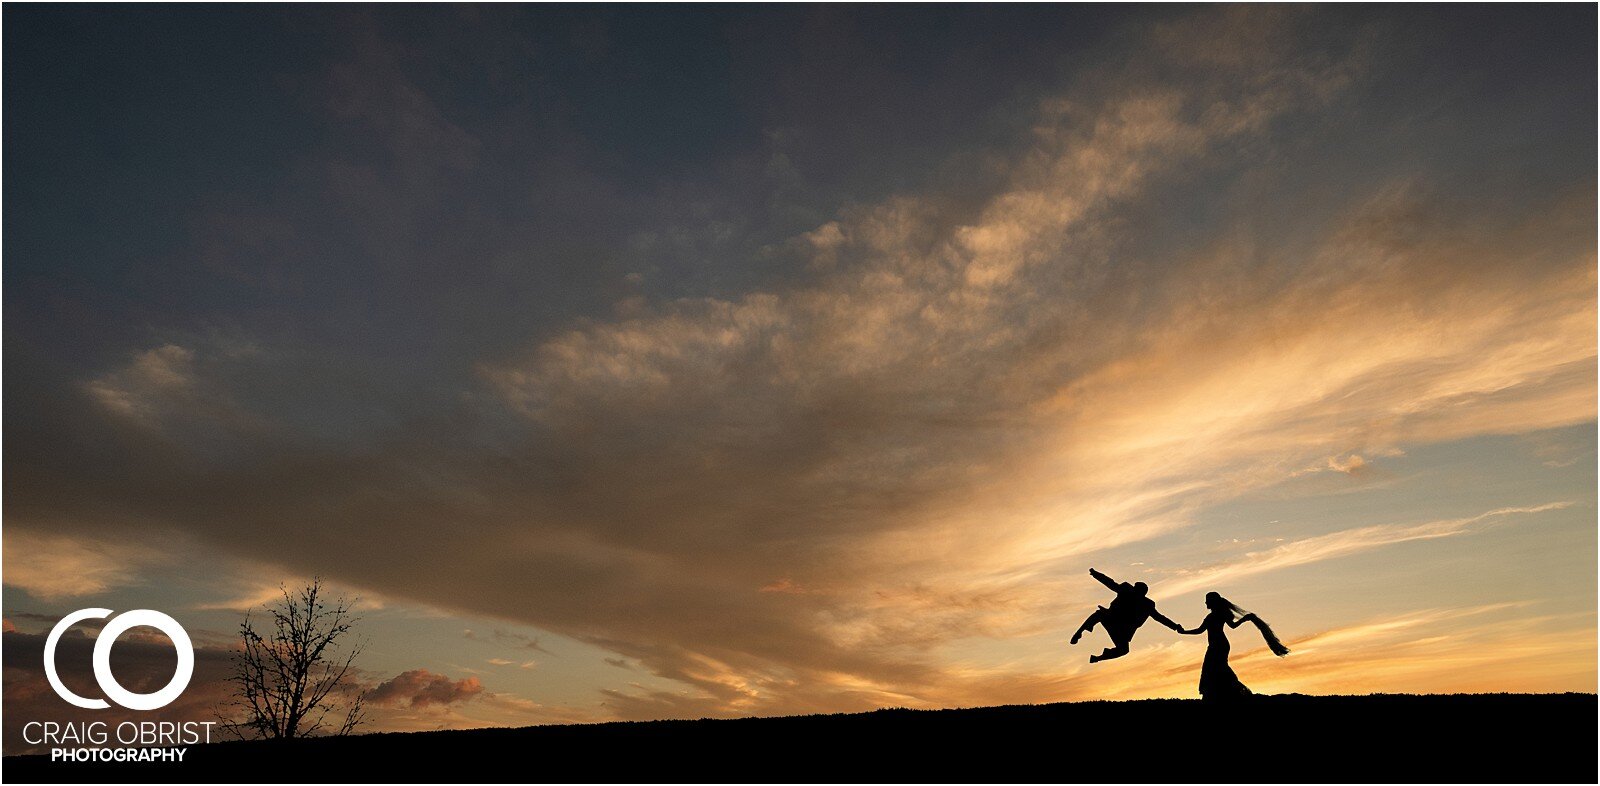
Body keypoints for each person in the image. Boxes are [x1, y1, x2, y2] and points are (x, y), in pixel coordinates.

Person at [1178, 591, 1290, 701]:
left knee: (1214, 668)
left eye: (1207, 601)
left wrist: (1183, 632)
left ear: (1212, 602)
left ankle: (1222, 693)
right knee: (1217, 668)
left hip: (1218, 645)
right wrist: (1184, 632)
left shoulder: (1215, 615)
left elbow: (1202, 630)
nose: (1205, 603)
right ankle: (1222, 693)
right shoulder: (1216, 615)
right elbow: (1228, 626)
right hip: (1219, 645)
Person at [1070, 568, 1181, 663]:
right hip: (1113, 620)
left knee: (1123, 650)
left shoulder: (1146, 604)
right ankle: (1079, 633)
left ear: (1140, 592)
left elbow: (1160, 618)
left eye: (1135, 588)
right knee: (1099, 615)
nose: (1133, 588)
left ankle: (1098, 657)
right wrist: (1096, 574)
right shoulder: (1127, 591)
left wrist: (1175, 627)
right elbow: (1110, 583)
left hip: (1122, 631)